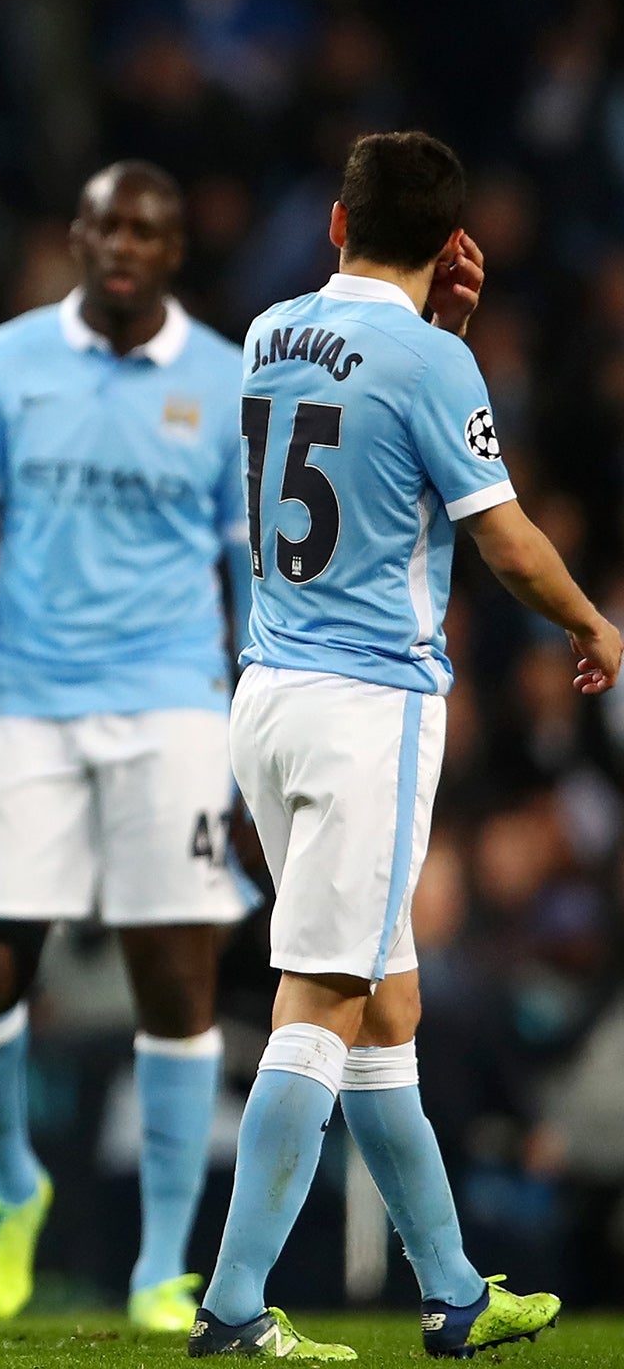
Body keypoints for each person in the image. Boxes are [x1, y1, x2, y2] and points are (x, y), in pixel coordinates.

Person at [190, 131, 618, 1361]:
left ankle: (453, 1292)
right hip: (365, 707)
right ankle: (229, 1311)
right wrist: (590, 620)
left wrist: (446, 338)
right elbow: (501, 536)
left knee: (386, 1004)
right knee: (321, 1000)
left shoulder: (267, 333)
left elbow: (361, 432)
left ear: (333, 225)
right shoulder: (433, 362)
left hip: (267, 696)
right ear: (447, 245)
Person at [0, 161, 253, 1333]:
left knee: (176, 981)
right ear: (75, 234)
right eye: (104, 223)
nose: (121, 244)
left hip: (171, 707)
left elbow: (247, 575)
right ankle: (10, 1181)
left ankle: (160, 1264)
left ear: (172, 251)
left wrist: (253, 724)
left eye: (146, 229)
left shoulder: (221, 377)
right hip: (22, 703)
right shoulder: (4, 363)